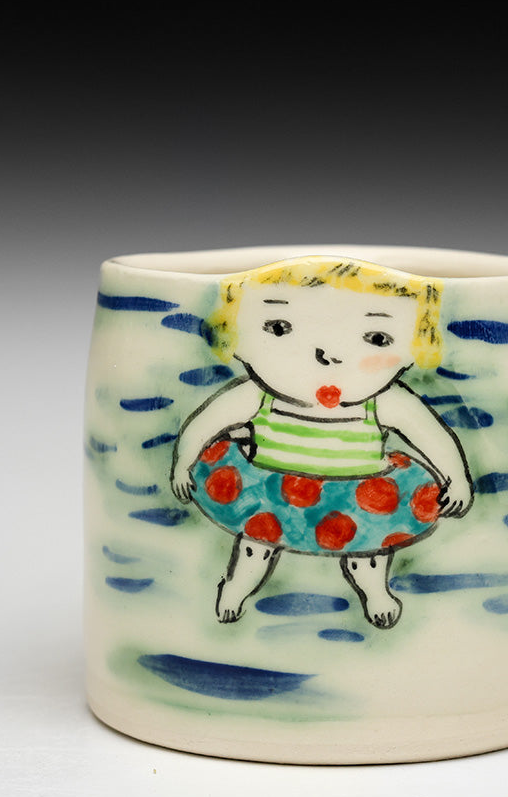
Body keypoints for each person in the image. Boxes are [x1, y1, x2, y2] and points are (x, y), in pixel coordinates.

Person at [171, 257, 472, 628]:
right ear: (235, 336)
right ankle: (235, 587)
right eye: (279, 328)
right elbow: (207, 423)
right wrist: (183, 462)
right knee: (256, 546)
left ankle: (375, 592)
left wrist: (456, 478)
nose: (328, 356)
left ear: (415, 348)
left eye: (377, 339)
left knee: (368, 550)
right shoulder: (256, 396)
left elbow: (431, 435)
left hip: (355, 495)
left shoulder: (386, 403)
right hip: (271, 488)